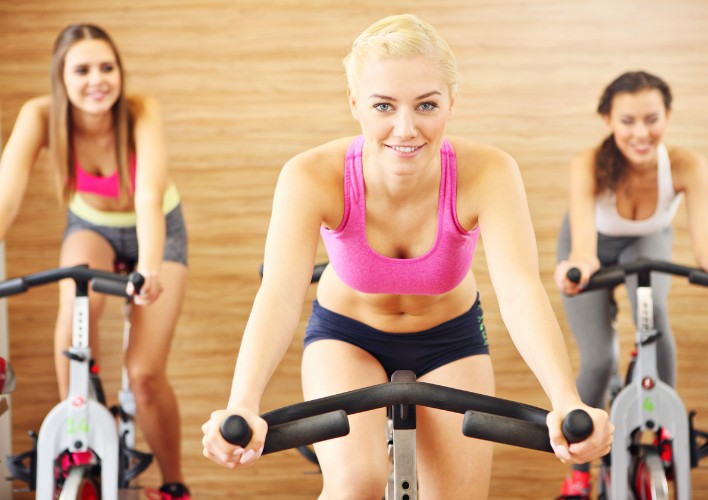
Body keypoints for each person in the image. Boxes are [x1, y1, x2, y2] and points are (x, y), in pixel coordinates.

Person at [202, 14, 612, 499]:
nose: (406, 128)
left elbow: (520, 288)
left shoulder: (490, 172)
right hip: (346, 336)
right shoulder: (311, 175)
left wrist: (565, 399)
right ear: (354, 102)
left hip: (450, 340)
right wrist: (242, 403)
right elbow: (279, 295)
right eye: (383, 105)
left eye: (426, 105)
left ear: (451, 103)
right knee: (356, 484)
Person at [0, 24, 190, 499]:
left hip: (157, 229)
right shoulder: (40, 116)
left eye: (107, 67)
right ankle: (78, 438)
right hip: (92, 228)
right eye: (82, 69)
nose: (96, 80)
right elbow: (6, 197)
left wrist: (148, 266)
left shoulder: (139, 110)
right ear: (61, 76)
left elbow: (147, 197)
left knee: (145, 374)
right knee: (74, 314)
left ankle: (174, 484)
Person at [554, 70, 708, 499]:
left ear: (668, 116)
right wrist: (577, 267)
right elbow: (585, 247)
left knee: (655, 317)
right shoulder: (587, 165)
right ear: (607, 119)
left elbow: (707, 253)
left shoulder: (686, 165)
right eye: (627, 121)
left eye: (651, 119)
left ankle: (665, 425)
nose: (641, 133)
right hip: (589, 247)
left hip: (646, 243)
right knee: (598, 360)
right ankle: (581, 469)